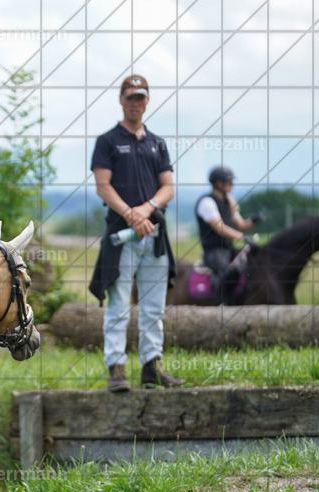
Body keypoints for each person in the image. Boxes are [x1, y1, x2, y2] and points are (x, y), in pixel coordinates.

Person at [88, 74, 184, 392]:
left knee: (154, 308)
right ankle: (116, 369)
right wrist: (131, 215)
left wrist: (145, 209)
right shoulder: (107, 141)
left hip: (154, 236)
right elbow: (103, 186)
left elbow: (168, 187)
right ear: (121, 100)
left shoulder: (157, 143)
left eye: (140, 97)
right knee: (118, 306)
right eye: (130, 96)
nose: (135, 102)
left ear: (147, 100)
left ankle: (152, 366)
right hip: (121, 237)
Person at [196, 166, 263, 304]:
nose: (231, 185)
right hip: (214, 251)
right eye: (228, 182)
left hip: (229, 249)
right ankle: (221, 304)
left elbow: (241, 225)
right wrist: (242, 237)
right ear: (217, 183)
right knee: (225, 273)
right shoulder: (207, 202)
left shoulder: (228, 201)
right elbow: (219, 228)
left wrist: (253, 220)